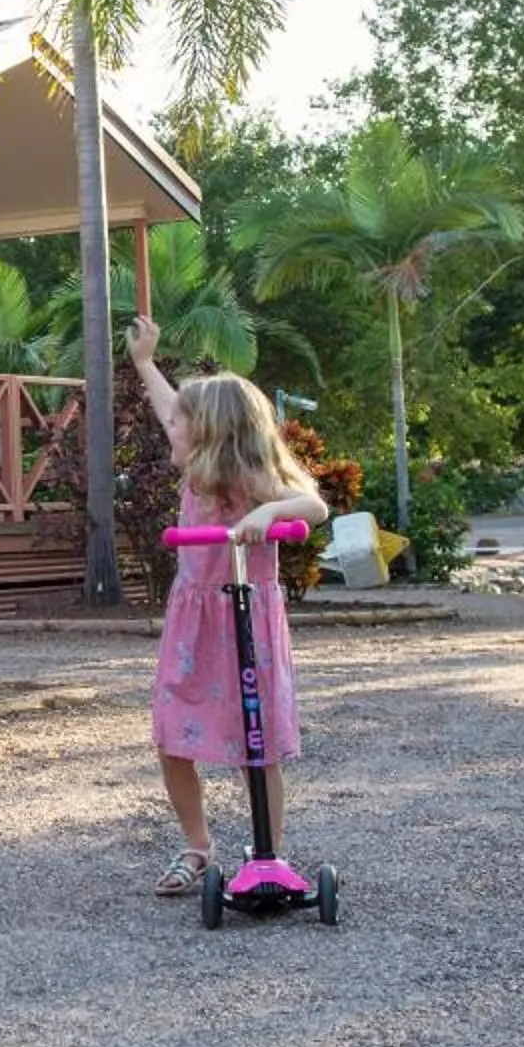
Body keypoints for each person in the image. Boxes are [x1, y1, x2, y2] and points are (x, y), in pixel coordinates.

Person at [127, 314, 332, 896]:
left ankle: (268, 853)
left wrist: (268, 514)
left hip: (246, 617)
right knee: (172, 731)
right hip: (195, 618)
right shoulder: (195, 467)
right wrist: (145, 361)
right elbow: (167, 407)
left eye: (184, 420)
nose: (173, 425)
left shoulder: (248, 473)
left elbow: (312, 505)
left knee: (256, 738)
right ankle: (196, 846)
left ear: (212, 429)